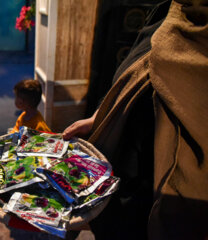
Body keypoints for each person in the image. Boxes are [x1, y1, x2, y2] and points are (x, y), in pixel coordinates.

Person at [63, 1, 208, 239]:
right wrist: (102, 116)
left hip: (159, 187)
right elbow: (137, 73)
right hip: (126, 164)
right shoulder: (173, 14)